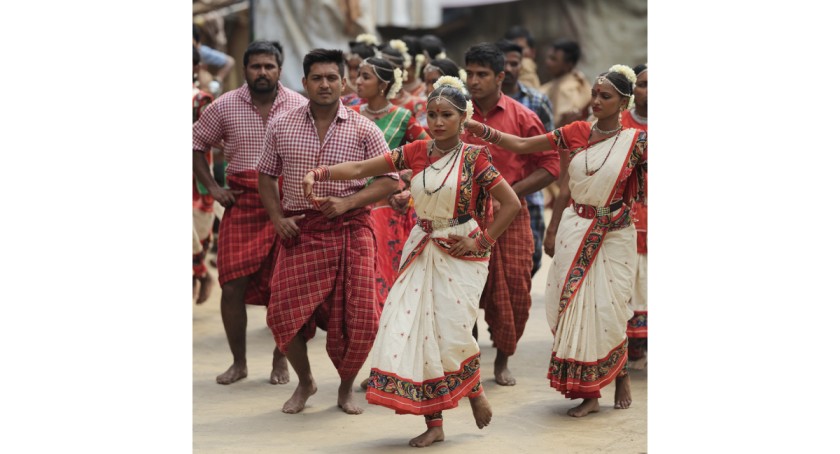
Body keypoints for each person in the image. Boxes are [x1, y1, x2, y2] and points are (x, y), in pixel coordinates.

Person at [302, 76, 521, 447]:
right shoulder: (418, 151)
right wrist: (319, 173)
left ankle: (473, 390)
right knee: (416, 331)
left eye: (446, 115)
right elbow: (360, 169)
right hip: (421, 244)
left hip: (459, 250)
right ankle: (433, 423)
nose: (437, 122)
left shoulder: (474, 157)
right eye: (432, 114)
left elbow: (511, 204)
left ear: (463, 117)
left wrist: (480, 239)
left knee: (451, 332)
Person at [466, 64, 647, 417]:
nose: (595, 100)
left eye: (604, 96)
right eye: (594, 93)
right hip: (575, 227)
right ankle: (590, 392)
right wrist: (480, 129)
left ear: (623, 102)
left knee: (608, 311)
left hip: (614, 236)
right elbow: (521, 144)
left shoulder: (638, 143)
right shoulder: (577, 131)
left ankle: (619, 373)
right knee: (574, 310)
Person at [256, 48, 399, 415]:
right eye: (317, 78)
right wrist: (276, 218)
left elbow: (390, 181)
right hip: (300, 230)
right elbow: (266, 175)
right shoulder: (281, 124)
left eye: (332, 78)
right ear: (303, 83)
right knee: (283, 314)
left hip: (353, 229)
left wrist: (349, 203)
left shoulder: (363, 127)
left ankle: (346, 388)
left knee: (362, 318)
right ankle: (305, 382)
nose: (324, 84)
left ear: (343, 82)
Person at [193, 40, 308, 385]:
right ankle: (238, 363)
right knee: (232, 286)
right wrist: (212, 189)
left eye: (269, 67)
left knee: (285, 289)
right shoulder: (224, 105)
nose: (262, 72)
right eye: (256, 66)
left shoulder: (300, 105)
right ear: (245, 71)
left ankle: (281, 361)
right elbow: (195, 144)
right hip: (241, 202)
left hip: (287, 206)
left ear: (279, 70)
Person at [461, 43, 561, 386]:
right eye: (469, 74)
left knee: (516, 294)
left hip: (511, 215)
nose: (474, 81)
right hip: (463, 218)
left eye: (482, 75)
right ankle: (469, 362)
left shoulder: (522, 116)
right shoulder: (454, 113)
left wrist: (511, 193)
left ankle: (502, 360)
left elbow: (551, 165)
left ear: (501, 77)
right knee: (462, 293)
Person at [352, 56, 428, 308]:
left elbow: (431, 152)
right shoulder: (349, 114)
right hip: (350, 203)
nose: (357, 81)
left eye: (365, 76)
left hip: (386, 206)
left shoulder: (403, 118)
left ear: (383, 85)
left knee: (383, 275)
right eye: (358, 75)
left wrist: (405, 181)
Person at [496, 39, 555, 277]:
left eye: (514, 63)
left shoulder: (538, 101)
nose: (509, 69)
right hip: (486, 198)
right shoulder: (474, 104)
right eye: (504, 64)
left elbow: (550, 152)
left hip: (528, 192)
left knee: (530, 260)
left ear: (523, 65)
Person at [620, 63, 648, 367]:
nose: (649, 91)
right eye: (642, 84)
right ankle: (629, 346)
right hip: (626, 218)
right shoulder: (618, 123)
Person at [193, 45, 216, 304]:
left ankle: (201, 274)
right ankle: (200, 274)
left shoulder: (202, 100)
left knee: (196, 235)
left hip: (196, 180)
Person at [540, 39, 591, 129]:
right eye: (548, 57)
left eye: (553, 59)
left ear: (568, 65)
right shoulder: (555, 83)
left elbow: (563, 124)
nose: (548, 62)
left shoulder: (567, 88)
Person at [342, 33, 379, 106]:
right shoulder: (340, 96)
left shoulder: (378, 101)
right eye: (349, 68)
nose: (351, 74)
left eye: (357, 68)